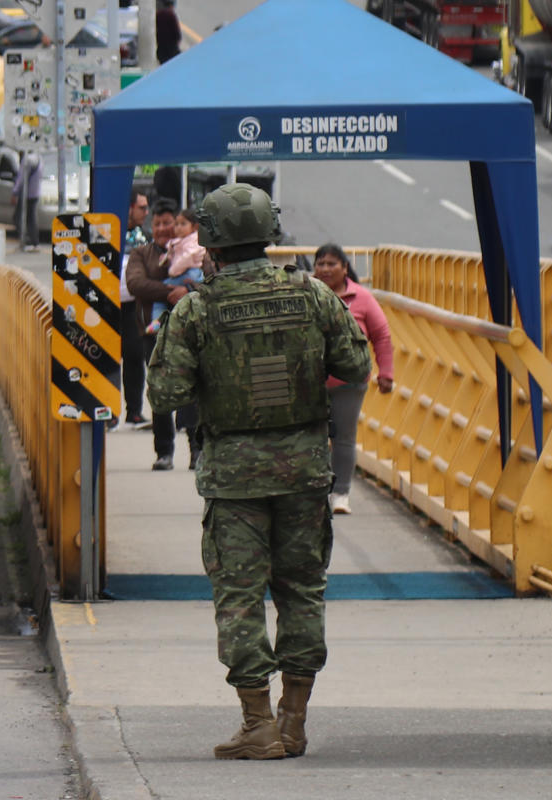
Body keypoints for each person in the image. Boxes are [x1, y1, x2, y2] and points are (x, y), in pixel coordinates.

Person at [147, 183, 370, 761]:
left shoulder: (197, 307)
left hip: (233, 476)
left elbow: (165, 389)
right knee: (302, 593)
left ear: (213, 243)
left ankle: (258, 724)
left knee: (240, 597)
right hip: (303, 470)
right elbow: (354, 362)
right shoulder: (314, 296)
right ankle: (294, 723)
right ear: (269, 234)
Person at [312, 244, 395, 516]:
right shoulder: (306, 294)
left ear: (345, 268)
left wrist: (386, 373)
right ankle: (314, 491)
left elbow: (381, 335)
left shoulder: (361, 298)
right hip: (309, 382)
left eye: (331, 264)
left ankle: (341, 493)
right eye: (320, 264)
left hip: (349, 382)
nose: (325, 269)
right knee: (311, 437)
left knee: (344, 438)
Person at [129, 199, 201, 470]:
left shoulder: (195, 248)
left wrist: (189, 289)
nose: (162, 228)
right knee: (159, 391)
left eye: (168, 222)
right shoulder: (142, 254)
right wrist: (171, 291)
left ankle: (197, 450)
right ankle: (164, 452)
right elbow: (136, 284)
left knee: (193, 390)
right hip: (153, 334)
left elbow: (208, 277)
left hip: (189, 332)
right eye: (157, 223)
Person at [118, 190, 151, 425]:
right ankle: (107, 412)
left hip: (133, 305)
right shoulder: (110, 232)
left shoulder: (145, 237)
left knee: (134, 356)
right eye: (142, 207)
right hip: (108, 305)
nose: (145, 212)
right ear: (129, 208)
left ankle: (134, 410)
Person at [148, 207, 206, 332]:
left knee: (162, 292)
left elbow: (186, 258)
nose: (178, 227)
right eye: (177, 224)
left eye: (183, 224)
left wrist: (173, 270)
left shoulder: (194, 241)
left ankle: (157, 321)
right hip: (186, 274)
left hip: (191, 274)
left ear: (194, 227)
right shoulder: (179, 241)